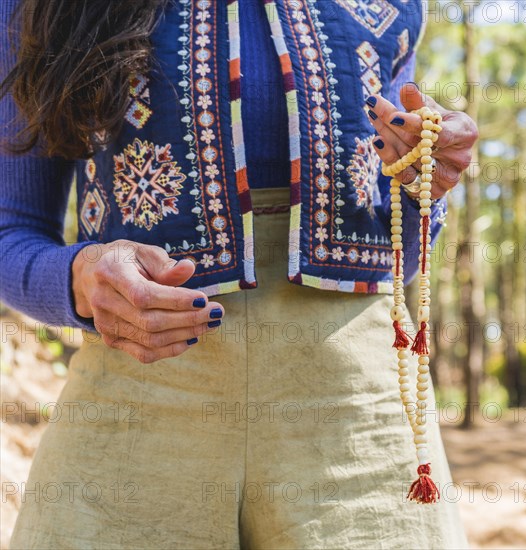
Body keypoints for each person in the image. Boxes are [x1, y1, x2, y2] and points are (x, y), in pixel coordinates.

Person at [1, 0, 478, 548]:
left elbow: (397, 244)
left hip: (356, 420)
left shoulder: (392, 8)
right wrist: (79, 278)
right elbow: (11, 229)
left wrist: (427, 182)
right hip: (136, 405)